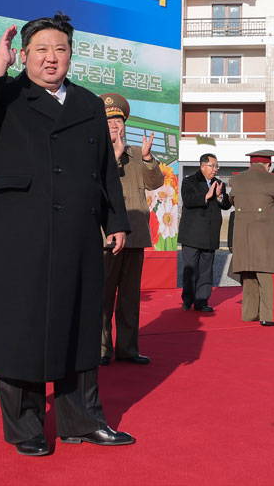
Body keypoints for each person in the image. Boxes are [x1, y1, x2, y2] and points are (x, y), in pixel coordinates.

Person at [0, 13, 134, 457]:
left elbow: (106, 170)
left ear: (71, 55)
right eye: (41, 50)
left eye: (60, 49)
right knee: (21, 326)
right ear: (25, 55)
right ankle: (25, 427)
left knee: (79, 323)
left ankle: (83, 420)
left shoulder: (90, 104)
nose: (51, 58)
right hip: (22, 231)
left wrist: (116, 221)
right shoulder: (5, 94)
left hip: (76, 230)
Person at [99, 93, 164, 367]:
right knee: (102, 295)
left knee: (129, 297)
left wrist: (149, 159)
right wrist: (112, 158)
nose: (116, 127)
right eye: (110, 121)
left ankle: (128, 347)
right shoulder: (94, 153)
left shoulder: (137, 154)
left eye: (119, 121)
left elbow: (155, 183)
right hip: (105, 237)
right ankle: (101, 348)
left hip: (134, 234)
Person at [228, 149, 274, 326]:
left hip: (242, 235)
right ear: (268, 164)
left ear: (250, 164)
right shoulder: (273, 180)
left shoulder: (237, 179)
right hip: (264, 234)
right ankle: (268, 316)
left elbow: (232, 200)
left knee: (248, 275)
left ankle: (249, 313)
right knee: (267, 274)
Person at [177, 153, 230, 312]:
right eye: (212, 166)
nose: (215, 169)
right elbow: (188, 200)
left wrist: (220, 196)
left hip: (210, 234)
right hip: (192, 234)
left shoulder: (219, 183)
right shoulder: (189, 181)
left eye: (216, 166)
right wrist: (205, 196)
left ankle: (201, 302)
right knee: (190, 269)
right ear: (202, 166)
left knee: (206, 271)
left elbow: (226, 205)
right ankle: (188, 299)